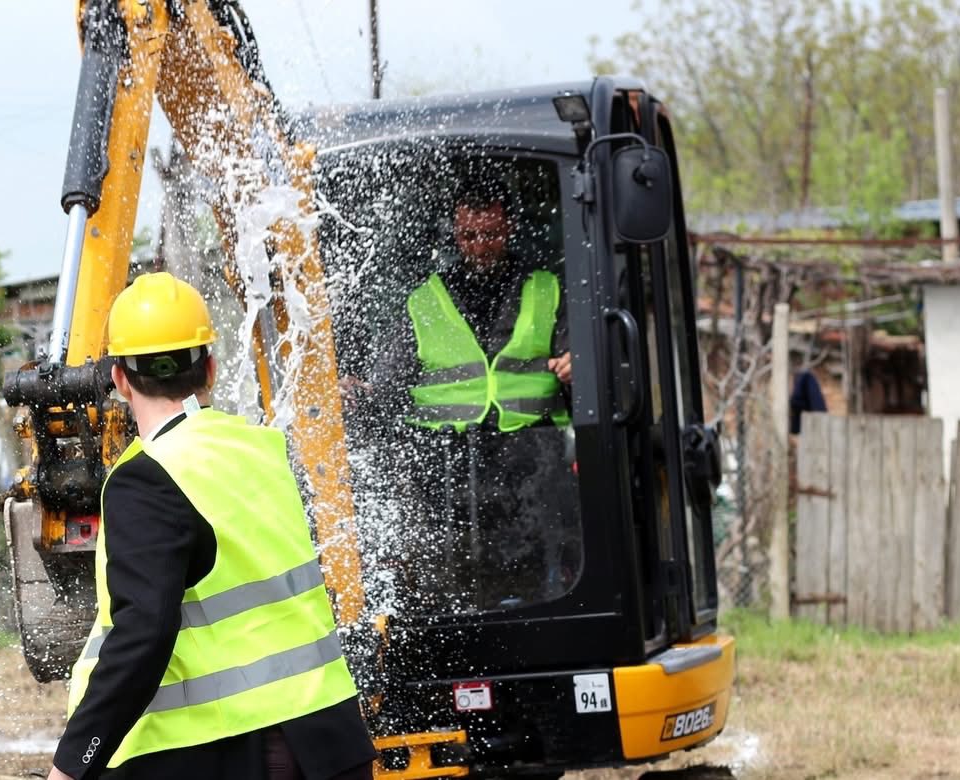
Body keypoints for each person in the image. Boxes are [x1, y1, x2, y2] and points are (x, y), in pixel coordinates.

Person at [47, 272, 376, 780]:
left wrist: (73, 764)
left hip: (231, 751)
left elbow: (144, 634)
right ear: (211, 369)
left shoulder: (146, 478)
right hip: (331, 741)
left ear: (118, 379)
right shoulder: (265, 450)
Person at [346, 179, 580, 612]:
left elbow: (574, 356)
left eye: (490, 234)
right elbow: (388, 381)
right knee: (453, 583)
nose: (480, 246)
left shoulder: (545, 288)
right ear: (456, 236)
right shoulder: (426, 300)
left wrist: (572, 365)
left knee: (536, 582)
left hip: (530, 460)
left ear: (508, 229)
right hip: (449, 469)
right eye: (470, 236)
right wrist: (361, 391)